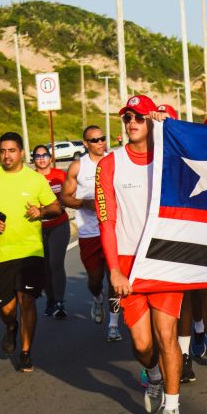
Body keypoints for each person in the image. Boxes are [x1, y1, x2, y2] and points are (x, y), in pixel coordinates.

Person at [97, 95, 184, 414]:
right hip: (127, 265)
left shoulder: (171, 159)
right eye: (127, 117)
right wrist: (115, 271)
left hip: (163, 260)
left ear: (151, 121)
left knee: (167, 336)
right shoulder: (110, 163)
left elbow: (203, 155)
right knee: (143, 346)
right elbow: (107, 220)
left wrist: (172, 128)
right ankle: (155, 376)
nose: (132, 122)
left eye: (139, 117)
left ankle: (172, 408)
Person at [0, 132, 62, 372]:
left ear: (21, 152)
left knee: (27, 301)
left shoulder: (35, 180)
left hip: (31, 250)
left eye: (11, 150)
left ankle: (25, 351)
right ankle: (11, 327)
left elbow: (55, 207)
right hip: (1, 252)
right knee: (8, 309)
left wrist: (40, 212)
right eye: (2, 151)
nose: (6, 155)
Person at [61, 125, 122, 342]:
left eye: (102, 138)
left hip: (114, 230)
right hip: (89, 233)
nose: (100, 143)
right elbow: (65, 197)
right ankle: (97, 298)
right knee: (95, 280)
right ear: (85, 144)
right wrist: (82, 202)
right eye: (94, 140)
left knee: (115, 280)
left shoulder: (116, 161)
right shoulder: (78, 167)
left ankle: (113, 325)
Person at [33, 145, 71, 319]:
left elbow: (69, 195)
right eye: (37, 156)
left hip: (58, 225)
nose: (41, 158)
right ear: (33, 159)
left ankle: (60, 303)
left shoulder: (60, 175)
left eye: (44, 155)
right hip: (37, 228)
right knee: (45, 267)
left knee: (56, 263)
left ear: (50, 157)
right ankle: (51, 299)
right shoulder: (30, 178)